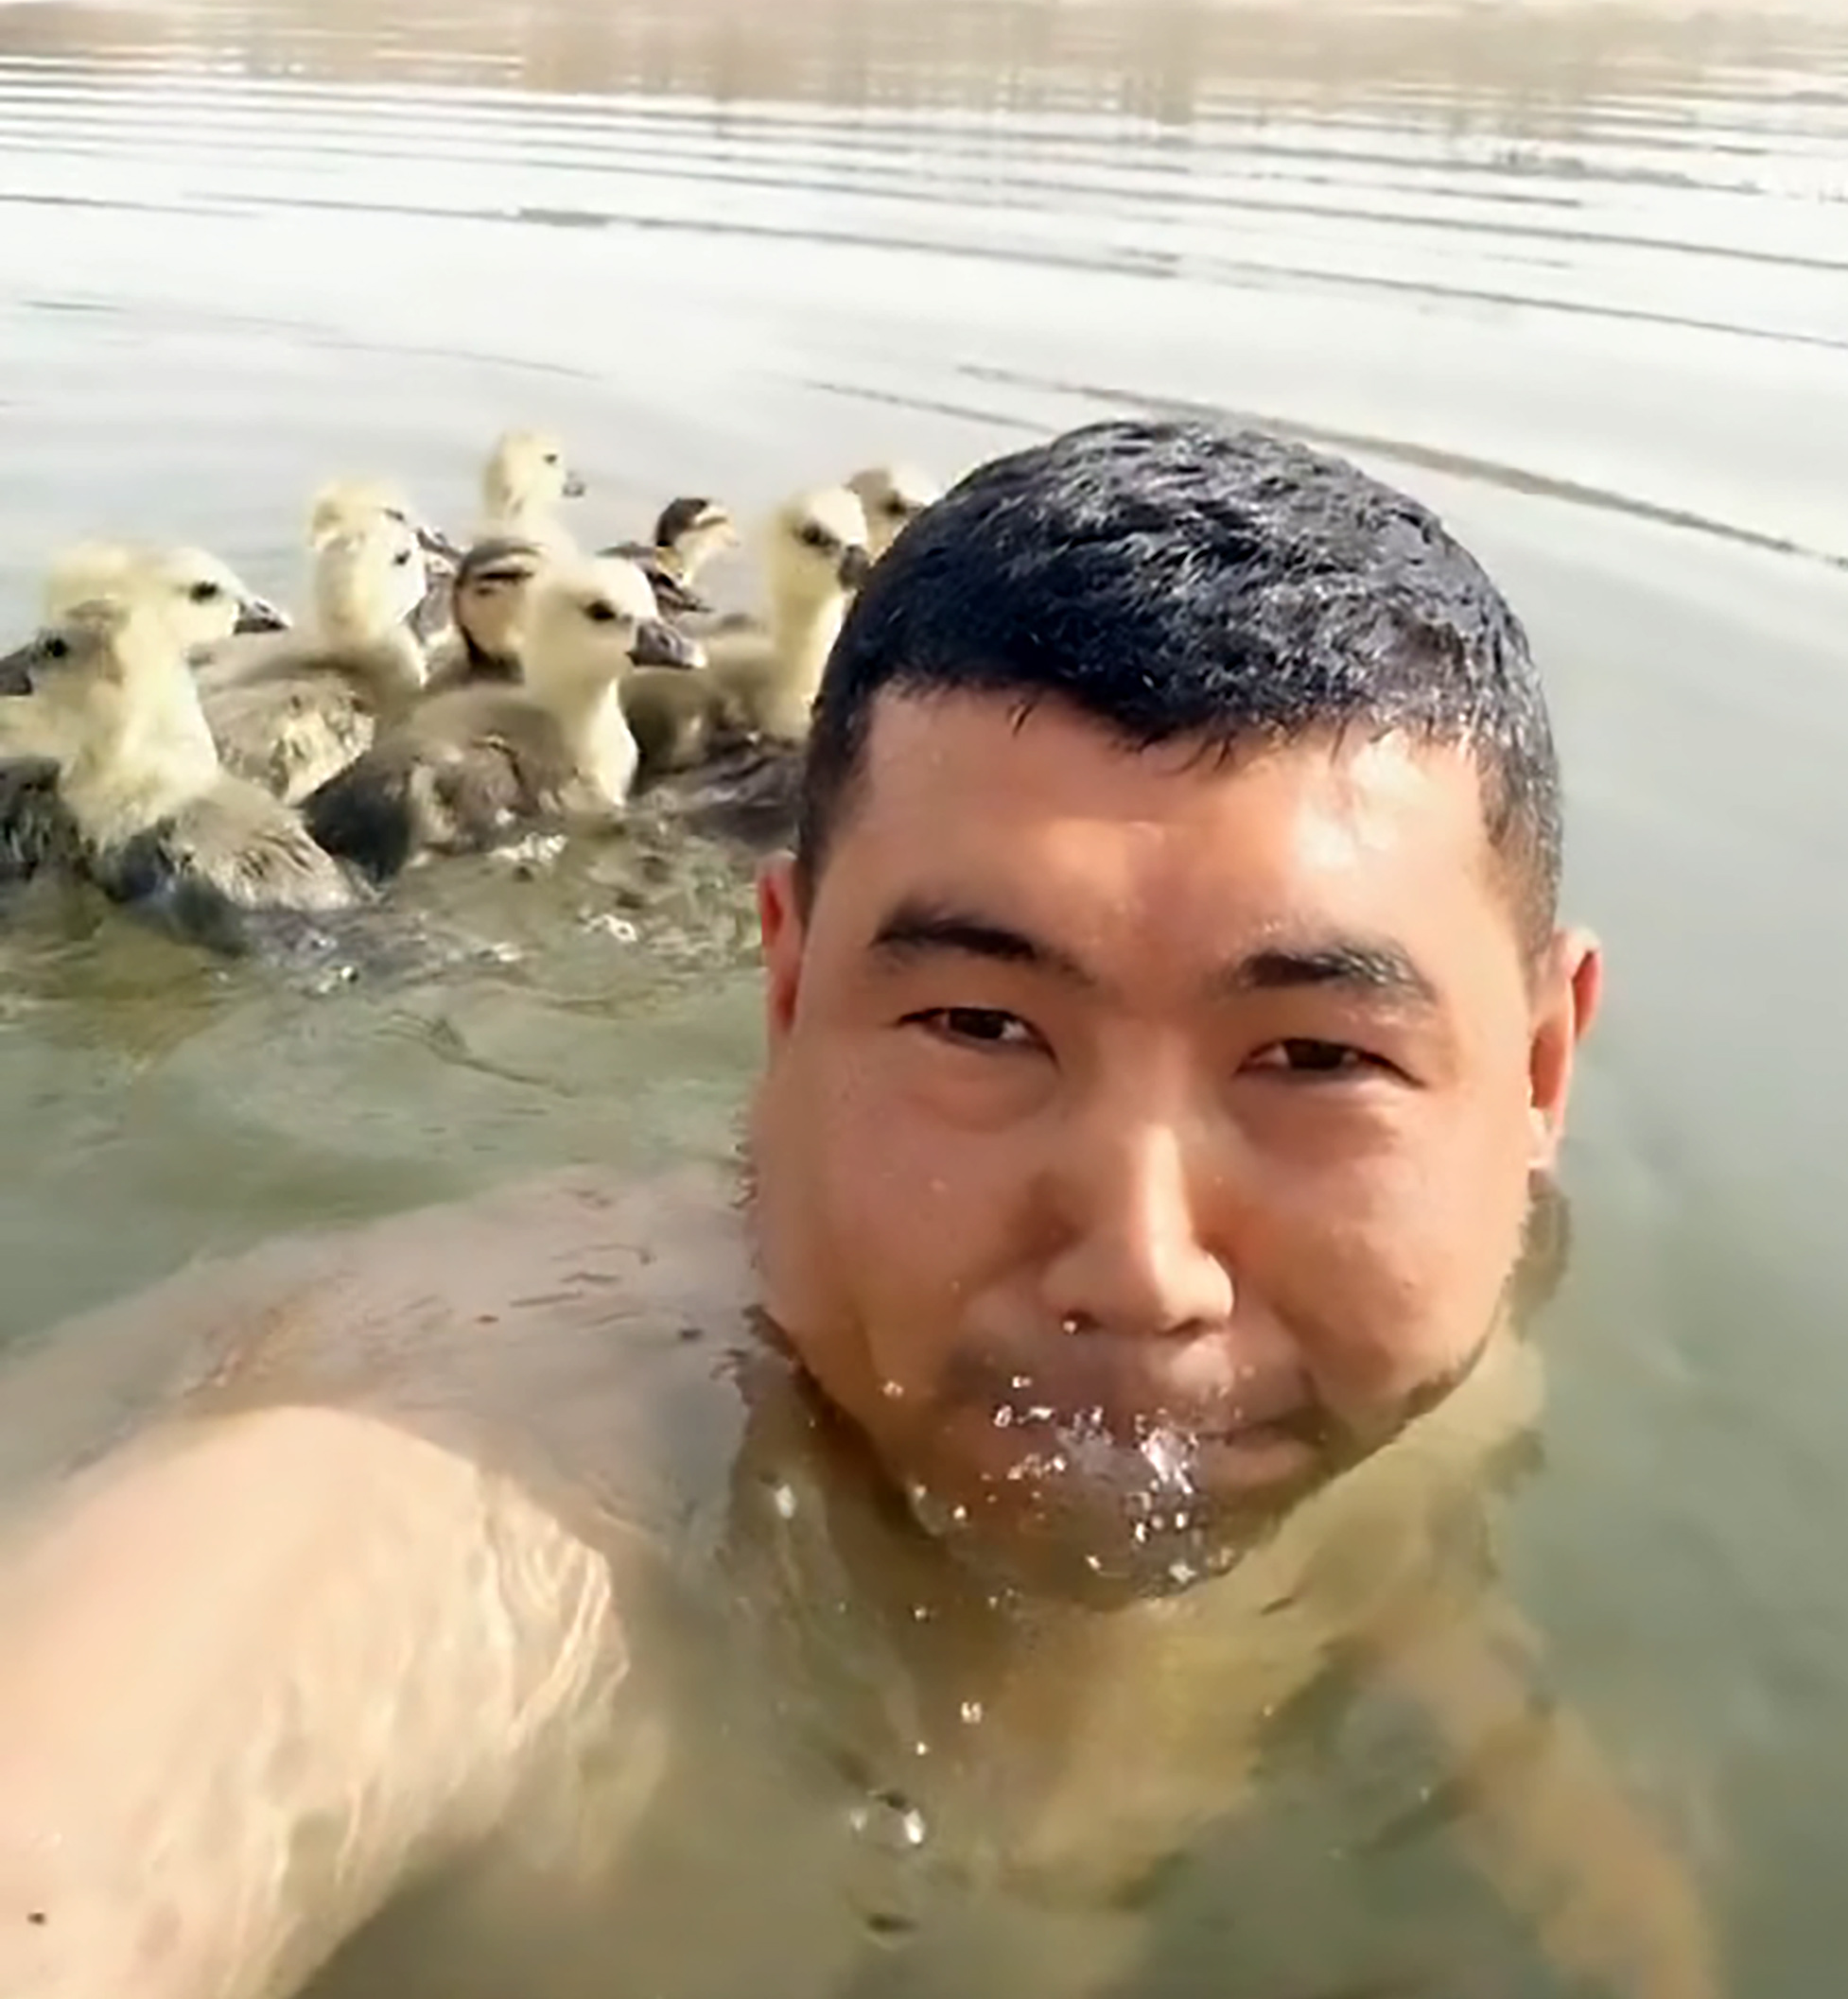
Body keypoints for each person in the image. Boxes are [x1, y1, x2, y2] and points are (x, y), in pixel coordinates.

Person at [0, 416, 1714, 1998]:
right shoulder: (466, 1475)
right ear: (788, 996)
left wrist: (1514, 1756)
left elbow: (1390, 1533)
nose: (1143, 1270)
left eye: (1318, 1057)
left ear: (1537, 1078)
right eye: (980, 1026)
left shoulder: (1462, 1321)